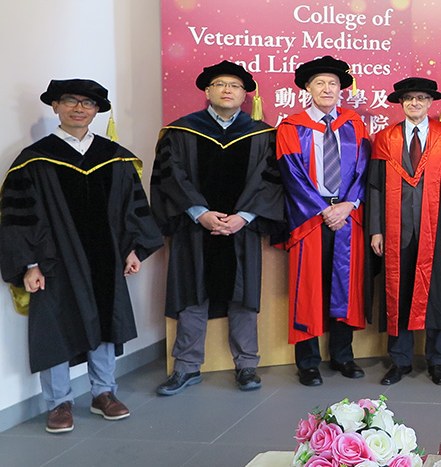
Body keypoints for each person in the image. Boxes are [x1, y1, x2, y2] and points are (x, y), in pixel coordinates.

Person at [0, 79, 163, 433]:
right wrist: (28, 264)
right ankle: (59, 402)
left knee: (106, 323)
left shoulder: (115, 157)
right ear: (56, 107)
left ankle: (103, 392)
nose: (79, 108)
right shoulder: (34, 161)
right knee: (56, 327)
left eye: (87, 103)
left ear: (96, 110)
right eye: (70, 101)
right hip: (53, 262)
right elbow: (18, 217)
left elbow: (133, 208)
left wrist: (134, 248)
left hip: (106, 258)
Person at [151, 60, 283, 396]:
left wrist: (245, 216)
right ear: (208, 91)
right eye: (221, 85)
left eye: (235, 86)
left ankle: (247, 365)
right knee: (191, 296)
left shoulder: (263, 135)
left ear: (244, 94)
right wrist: (199, 213)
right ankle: (186, 367)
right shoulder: (180, 132)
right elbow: (170, 176)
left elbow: (271, 181)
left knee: (243, 298)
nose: (227, 90)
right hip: (194, 229)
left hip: (242, 230)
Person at [276, 56, 371, 387]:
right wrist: (322, 209)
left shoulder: (354, 124)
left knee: (344, 287)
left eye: (333, 83)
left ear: (341, 89)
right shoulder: (291, 127)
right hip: (310, 219)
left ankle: (343, 356)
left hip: (347, 216)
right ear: (307, 88)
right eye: (320, 83)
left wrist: (348, 204)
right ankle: (308, 362)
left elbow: (362, 168)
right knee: (309, 289)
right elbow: (292, 175)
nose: (327, 88)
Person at [367, 76, 441, 386]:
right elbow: (375, 188)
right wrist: (376, 230)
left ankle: (437, 361)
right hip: (396, 231)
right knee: (398, 293)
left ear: (431, 102)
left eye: (421, 98)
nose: (415, 103)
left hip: (435, 231)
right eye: (409, 99)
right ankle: (400, 361)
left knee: (436, 297)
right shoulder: (385, 138)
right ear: (401, 103)